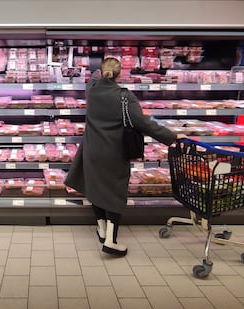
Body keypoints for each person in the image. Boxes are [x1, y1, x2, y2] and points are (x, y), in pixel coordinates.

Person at [65, 57, 183, 257]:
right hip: (114, 151)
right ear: (120, 75)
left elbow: (94, 76)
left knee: (96, 187)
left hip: (92, 150)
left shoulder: (91, 90)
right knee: (114, 192)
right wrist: (172, 138)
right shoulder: (124, 96)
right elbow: (145, 124)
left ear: (101, 73)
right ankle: (111, 241)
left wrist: (102, 71)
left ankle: (102, 228)